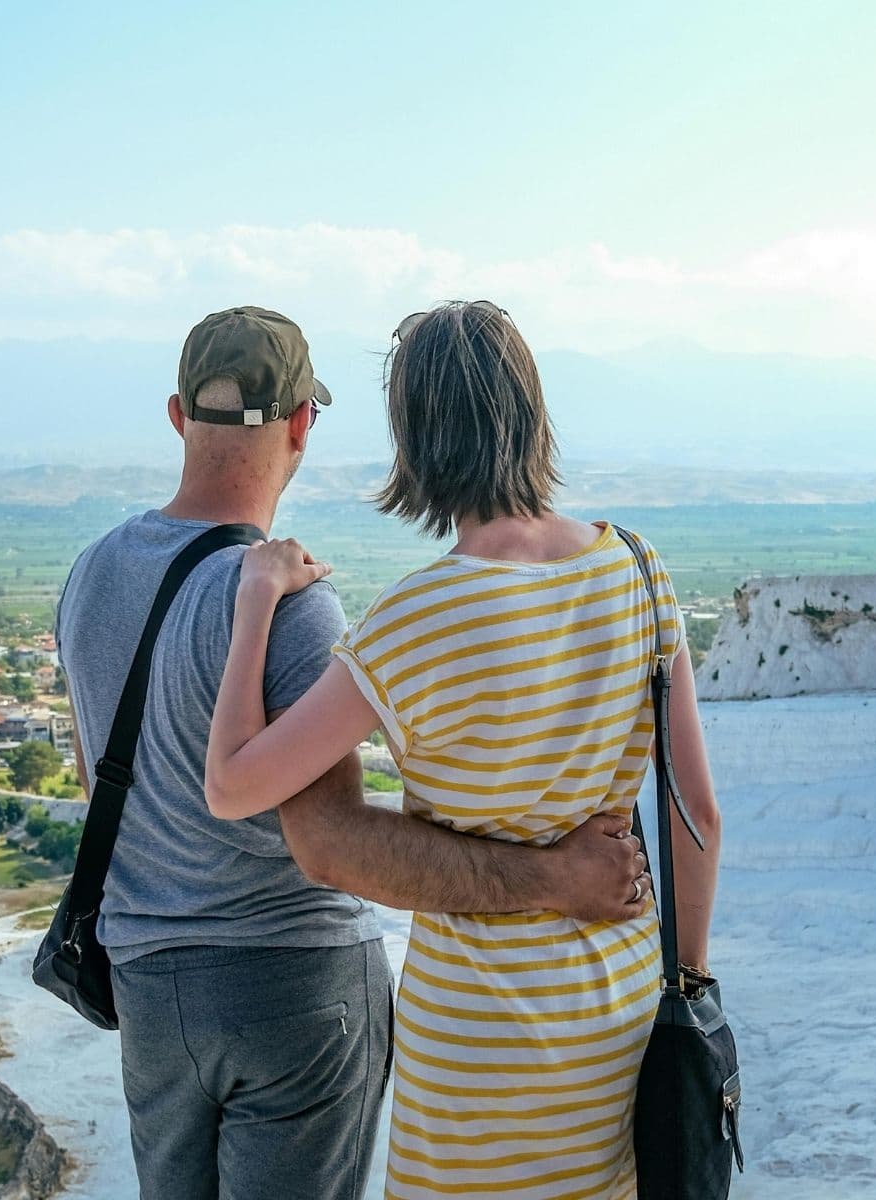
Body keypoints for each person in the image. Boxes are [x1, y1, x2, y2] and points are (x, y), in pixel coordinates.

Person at [55, 305, 653, 1200]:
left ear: (178, 416)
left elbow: (97, 777)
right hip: (295, 984)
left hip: (148, 989)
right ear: (303, 424)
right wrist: (552, 877)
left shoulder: (90, 574)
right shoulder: (294, 600)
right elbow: (328, 842)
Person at [205, 301, 723, 1199]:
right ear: (530, 413)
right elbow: (695, 812)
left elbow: (232, 786)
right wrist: (690, 983)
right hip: (621, 1009)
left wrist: (256, 603)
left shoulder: (419, 616)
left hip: (479, 1037)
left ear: (416, 437)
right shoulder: (641, 571)